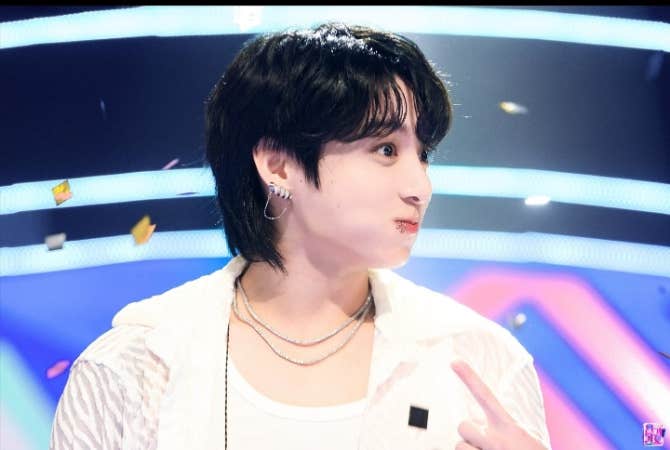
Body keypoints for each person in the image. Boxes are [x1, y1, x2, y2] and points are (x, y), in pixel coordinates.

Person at [50, 22, 552, 450]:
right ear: (278, 165)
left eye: (423, 154)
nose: (419, 187)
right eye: (385, 150)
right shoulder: (132, 367)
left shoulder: (480, 362)